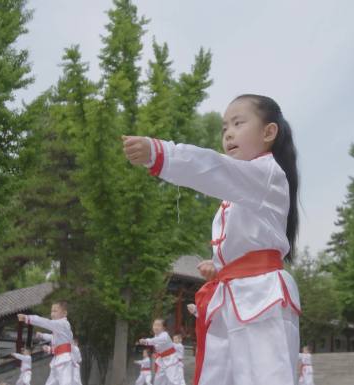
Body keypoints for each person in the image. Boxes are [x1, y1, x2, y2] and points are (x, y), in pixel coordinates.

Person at [123, 94, 301, 385]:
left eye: (238, 123)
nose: (228, 132)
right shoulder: (241, 190)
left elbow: (213, 168)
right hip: (232, 294)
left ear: (269, 132)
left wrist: (160, 153)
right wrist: (219, 267)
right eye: (224, 127)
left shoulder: (268, 174)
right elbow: (246, 241)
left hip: (261, 296)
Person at [18, 301, 74, 385]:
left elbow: (45, 322)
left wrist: (28, 318)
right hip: (58, 360)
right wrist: (43, 336)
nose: (52, 314)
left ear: (64, 313)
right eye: (51, 311)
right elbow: (53, 338)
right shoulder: (59, 328)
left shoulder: (63, 324)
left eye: (55, 311)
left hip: (64, 361)